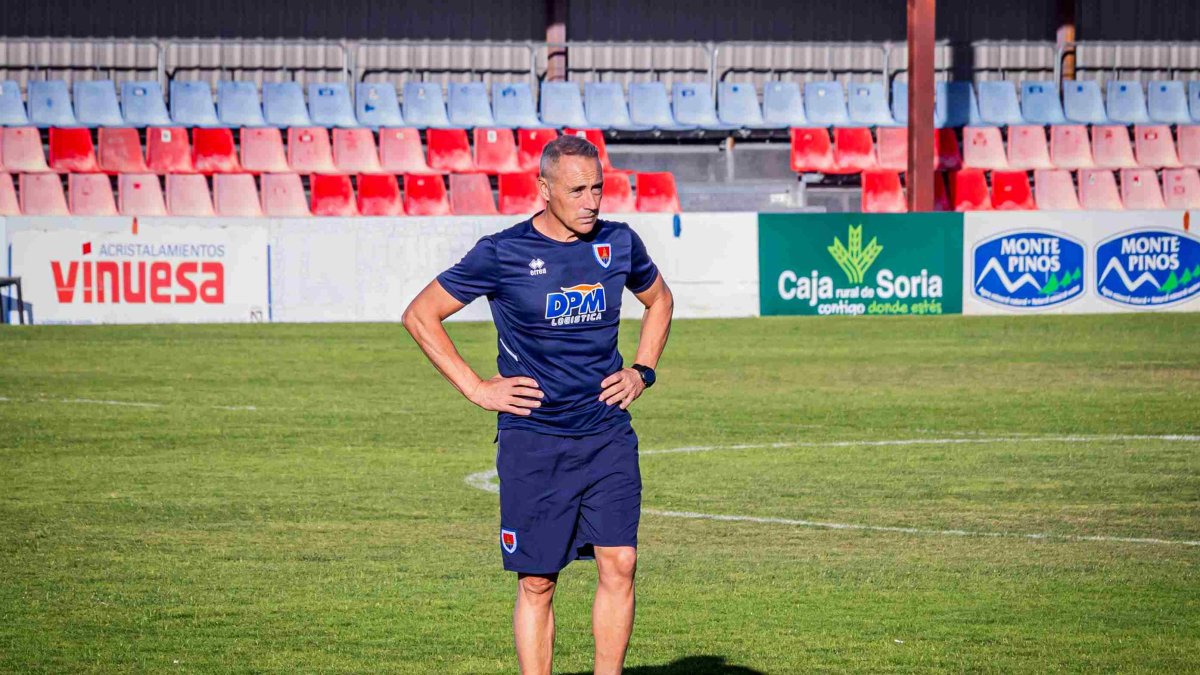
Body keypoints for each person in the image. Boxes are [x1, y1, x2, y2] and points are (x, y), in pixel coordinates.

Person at [402, 135, 674, 675]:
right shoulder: (502, 253)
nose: (591, 202)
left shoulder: (619, 243)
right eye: (577, 190)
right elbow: (420, 314)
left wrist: (642, 369)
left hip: (606, 434)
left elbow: (659, 299)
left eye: (598, 188)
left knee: (621, 562)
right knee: (537, 581)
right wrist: (476, 388)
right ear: (544, 189)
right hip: (534, 440)